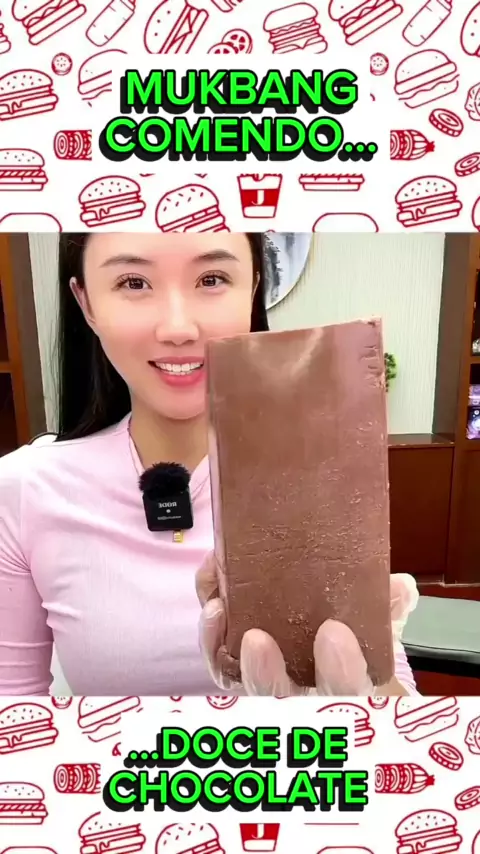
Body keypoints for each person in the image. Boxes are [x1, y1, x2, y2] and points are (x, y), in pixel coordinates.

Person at [0, 231, 419, 697]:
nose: (178, 327)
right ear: (86, 302)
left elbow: (399, 697)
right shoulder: (24, 491)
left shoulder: (326, 472)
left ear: (253, 288)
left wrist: (372, 701)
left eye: (212, 278)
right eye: (134, 283)